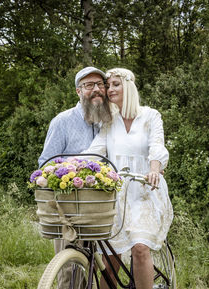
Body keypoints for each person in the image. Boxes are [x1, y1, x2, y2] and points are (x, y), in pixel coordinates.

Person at [82, 68, 174, 289]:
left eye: (115, 84)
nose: (109, 89)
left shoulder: (150, 115)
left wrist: (154, 169)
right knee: (111, 257)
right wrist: (67, 168)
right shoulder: (109, 120)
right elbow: (94, 152)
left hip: (145, 190)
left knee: (140, 248)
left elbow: (157, 147)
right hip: (118, 193)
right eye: (109, 85)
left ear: (129, 87)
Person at [38, 66, 112, 287]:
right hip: (69, 206)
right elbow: (46, 162)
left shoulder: (109, 120)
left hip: (102, 206)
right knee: (70, 271)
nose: (97, 89)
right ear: (78, 91)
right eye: (89, 85)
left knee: (103, 264)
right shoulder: (62, 121)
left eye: (100, 85)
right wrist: (69, 172)